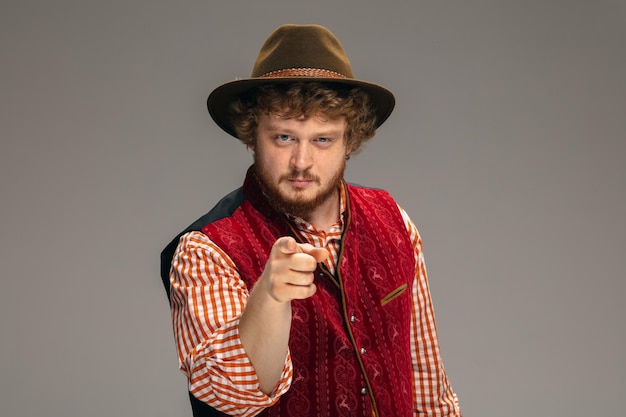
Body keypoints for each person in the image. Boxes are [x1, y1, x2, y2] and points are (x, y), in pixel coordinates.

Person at [161, 24, 462, 417]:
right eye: (284, 137)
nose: (301, 162)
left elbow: (425, 381)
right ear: (252, 136)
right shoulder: (207, 249)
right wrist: (268, 298)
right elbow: (233, 397)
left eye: (322, 140)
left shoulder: (395, 221)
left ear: (349, 141)